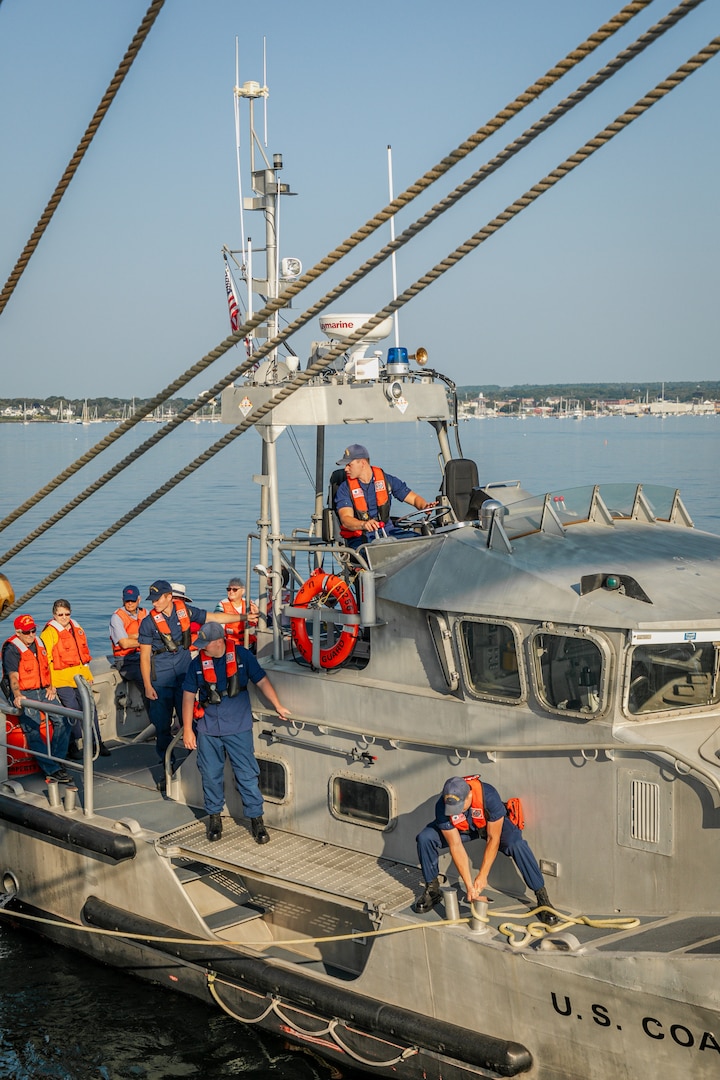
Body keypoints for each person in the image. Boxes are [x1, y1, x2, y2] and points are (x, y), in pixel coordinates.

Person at [181, 621, 290, 843]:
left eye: (205, 644)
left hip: (238, 727)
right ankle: (214, 817)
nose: (202, 648)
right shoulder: (197, 664)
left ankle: (256, 820)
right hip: (208, 729)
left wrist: (277, 704)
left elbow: (261, 680)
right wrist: (187, 731)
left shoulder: (242, 656)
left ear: (219, 642)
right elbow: (188, 696)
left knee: (247, 775)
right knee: (210, 775)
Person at [414, 775, 559, 925]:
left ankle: (542, 897)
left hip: (489, 826)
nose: (456, 812)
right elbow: (455, 845)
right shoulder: (442, 807)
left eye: (460, 807)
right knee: (425, 838)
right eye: (452, 809)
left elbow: (493, 839)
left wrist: (483, 875)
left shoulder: (489, 795)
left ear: (470, 795)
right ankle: (433, 890)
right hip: (463, 830)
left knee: (516, 844)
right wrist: (470, 886)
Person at [138, 579, 242, 785]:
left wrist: (243, 617)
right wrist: (148, 686)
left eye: (157, 599)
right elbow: (144, 657)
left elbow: (212, 617)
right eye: (152, 600)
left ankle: (198, 763)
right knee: (162, 727)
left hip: (184, 677)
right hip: (161, 681)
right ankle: (167, 768)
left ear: (169, 597)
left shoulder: (183, 611)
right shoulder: (148, 623)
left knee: (193, 720)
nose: (154, 603)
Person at [1, 613, 73, 782]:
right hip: (26, 693)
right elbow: (13, 677)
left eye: (33, 630)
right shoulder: (12, 649)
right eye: (27, 632)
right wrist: (18, 695)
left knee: (64, 719)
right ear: (18, 632)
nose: (32, 635)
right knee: (32, 729)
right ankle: (52, 770)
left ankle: (56, 760)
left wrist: (50, 685)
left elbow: (46, 667)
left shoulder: (39, 642)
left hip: (43, 690)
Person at [41, 598, 110, 758]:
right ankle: (72, 745)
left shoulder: (76, 628)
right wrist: (50, 684)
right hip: (61, 679)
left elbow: (82, 654)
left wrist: (88, 674)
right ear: (54, 615)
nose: (64, 617)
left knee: (90, 708)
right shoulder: (48, 633)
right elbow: (46, 661)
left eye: (67, 614)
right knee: (71, 709)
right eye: (60, 615)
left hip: (79, 676)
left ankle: (97, 742)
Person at [334, 443, 436, 547]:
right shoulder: (344, 488)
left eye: (349, 465)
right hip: (361, 538)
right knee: (379, 551)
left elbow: (414, 499)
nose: (346, 469)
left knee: (424, 543)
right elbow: (346, 519)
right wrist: (363, 524)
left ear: (363, 463)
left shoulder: (387, 480)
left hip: (388, 532)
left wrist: (424, 506)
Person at [214, 577, 258, 649]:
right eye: (229, 589)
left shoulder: (250, 603)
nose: (231, 592)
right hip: (230, 645)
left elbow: (258, 623)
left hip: (249, 644)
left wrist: (257, 613)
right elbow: (217, 623)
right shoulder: (222, 605)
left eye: (235, 589)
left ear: (243, 591)